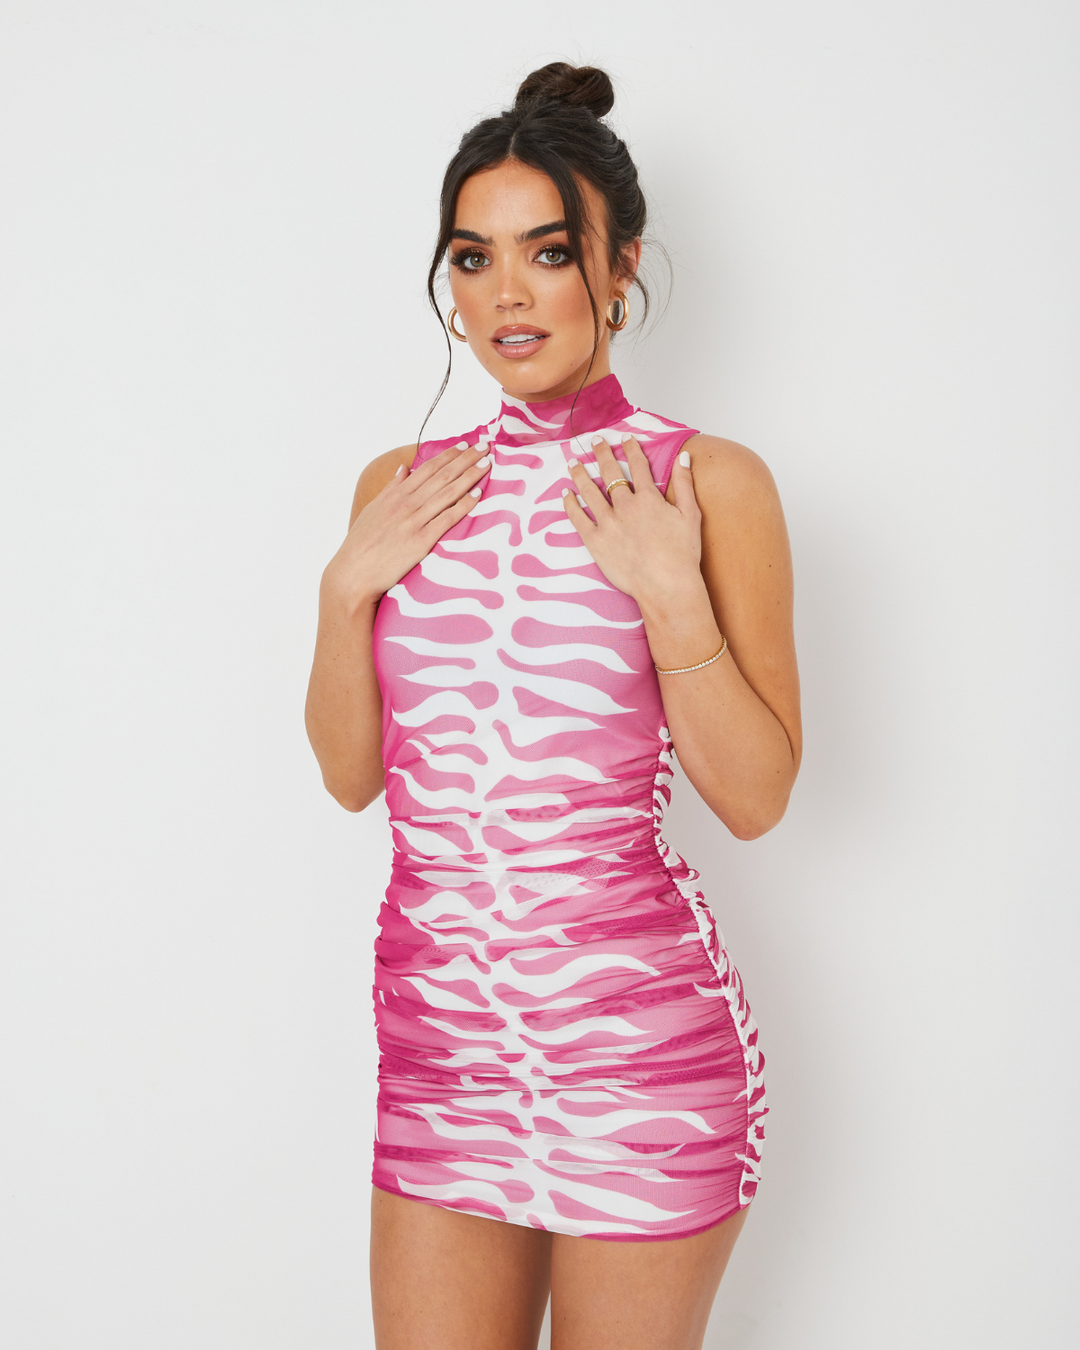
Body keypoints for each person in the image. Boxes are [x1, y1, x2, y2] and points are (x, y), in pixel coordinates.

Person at [305, 61, 800, 1350]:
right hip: (443, 1054)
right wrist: (343, 590)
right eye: (474, 258)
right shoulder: (399, 486)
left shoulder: (708, 482)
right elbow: (353, 778)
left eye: (547, 251)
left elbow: (757, 798)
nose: (507, 293)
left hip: (640, 1060)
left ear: (620, 266)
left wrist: (672, 599)